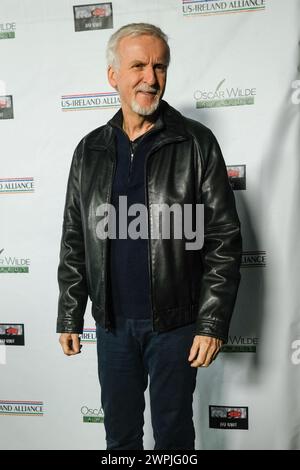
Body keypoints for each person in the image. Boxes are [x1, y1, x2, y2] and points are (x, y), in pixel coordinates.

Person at [57, 23, 242, 450]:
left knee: (174, 440)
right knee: (120, 440)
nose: (151, 78)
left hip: (176, 326)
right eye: (138, 65)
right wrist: (70, 311)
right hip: (112, 326)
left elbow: (223, 239)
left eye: (160, 66)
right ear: (113, 76)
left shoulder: (196, 143)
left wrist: (211, 323)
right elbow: (74, 236)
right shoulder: (90, 150)